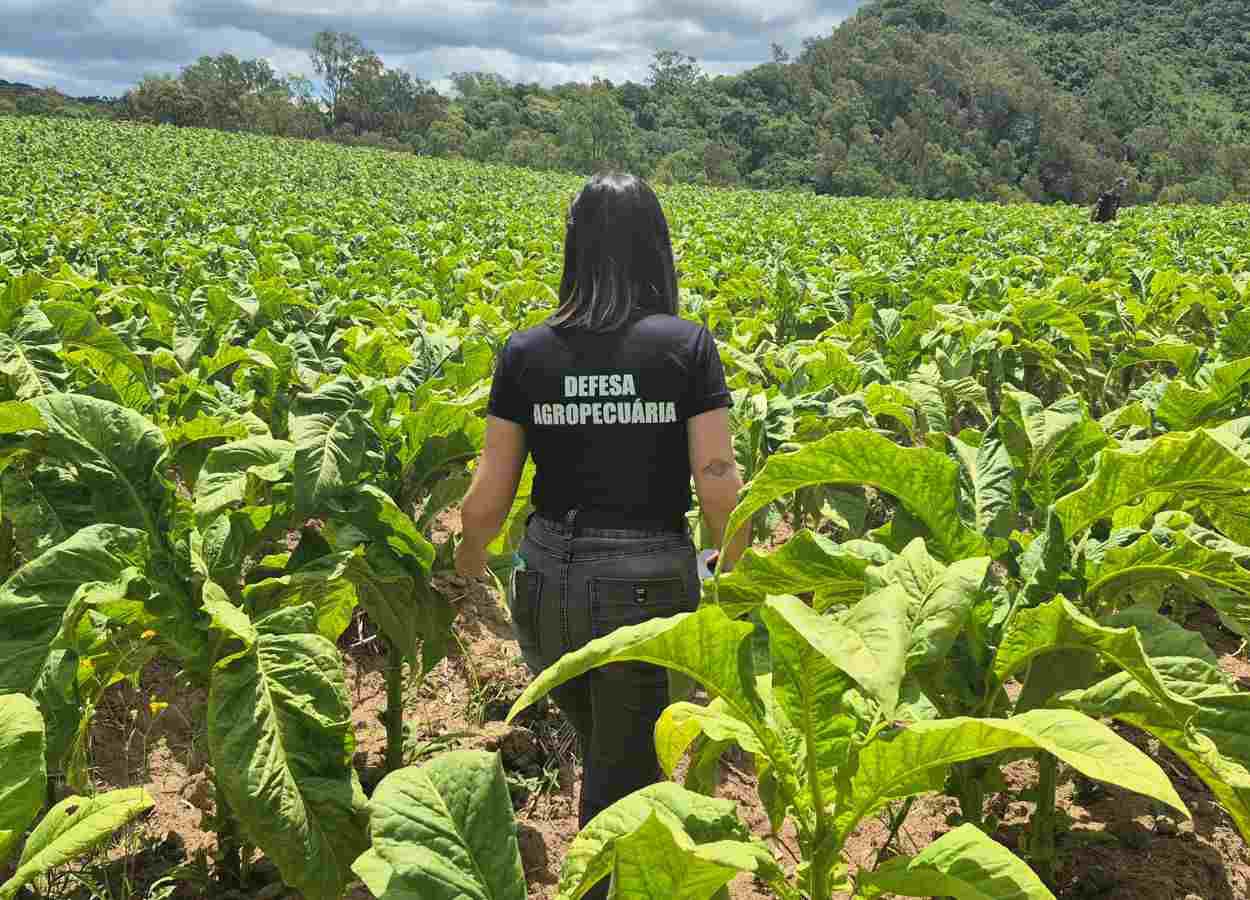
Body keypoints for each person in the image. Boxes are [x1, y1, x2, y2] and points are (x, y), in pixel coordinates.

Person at [454, 173, 749, 852]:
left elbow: (492, 489)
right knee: (624, 783)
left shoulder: (526, 352)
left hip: (547, 584)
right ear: (656, 246)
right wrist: (732, 567)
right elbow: (715, 472)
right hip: (644, 585)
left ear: (576, 247)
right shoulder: (685, 346)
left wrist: (466, 565)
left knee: (609, 752)